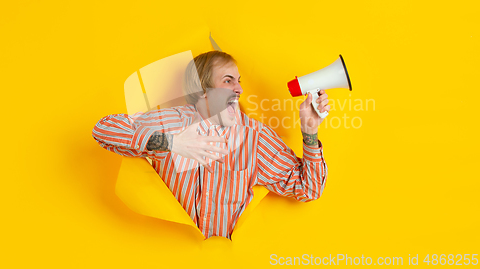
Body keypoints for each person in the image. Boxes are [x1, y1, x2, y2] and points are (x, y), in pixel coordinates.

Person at [92, 51, 330, 239]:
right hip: (167, 254)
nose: (239, 88)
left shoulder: (255, 137)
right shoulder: (173, 122)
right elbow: (103, 129)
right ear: (203, 91)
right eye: (228, 80)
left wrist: (310, 132)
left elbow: (309, 188)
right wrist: (171, 142)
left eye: (238, 81)